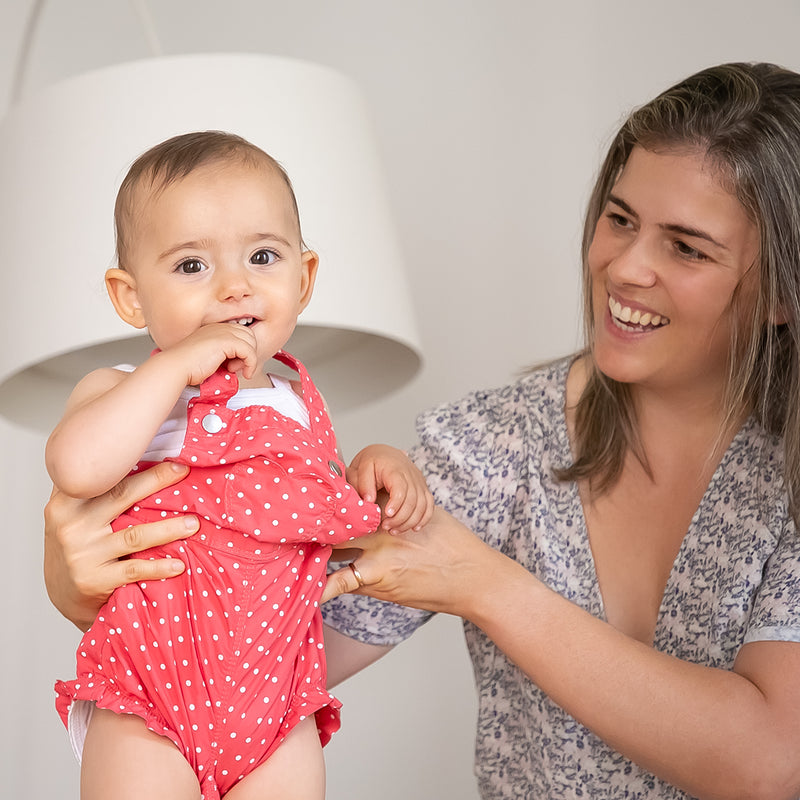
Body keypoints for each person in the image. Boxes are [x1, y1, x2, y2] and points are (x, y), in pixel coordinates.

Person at [43, 61, 800, 799]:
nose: (626, 267)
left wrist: (484, 584)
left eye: (686, 247)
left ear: (780, 291)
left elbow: (770, 766)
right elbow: (273, 641)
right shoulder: (490, 445)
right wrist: (75, 584)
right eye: (620, 219)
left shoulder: (785, 480)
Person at [45, 130, 432, 800]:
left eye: (261, 256)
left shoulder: (299, 407)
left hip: (276, 703)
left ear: (302, 280)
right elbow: (76, 467)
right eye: (192, 265)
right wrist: (173, 368)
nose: (234, 287)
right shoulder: (121, 390)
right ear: (131, 297)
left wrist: (375, 466)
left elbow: (330, 523)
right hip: (148, 696)